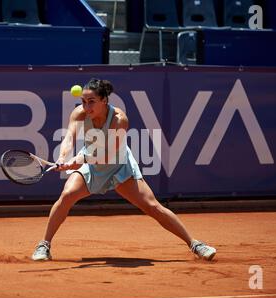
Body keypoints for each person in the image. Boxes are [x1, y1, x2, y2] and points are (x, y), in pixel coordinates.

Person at [32, 78, 216, 261]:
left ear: (104, 100)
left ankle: (195, 244)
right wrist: (63, 157)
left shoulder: (120, 120)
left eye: (91, 102)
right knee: (67, 195)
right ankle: (44, 245)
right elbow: (69, 138)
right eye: (83, 102)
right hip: (92, 165)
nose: (86, 107)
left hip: (119, 165)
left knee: (153, 207)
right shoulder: (79, 114)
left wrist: (79, 160)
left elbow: (109, 153)